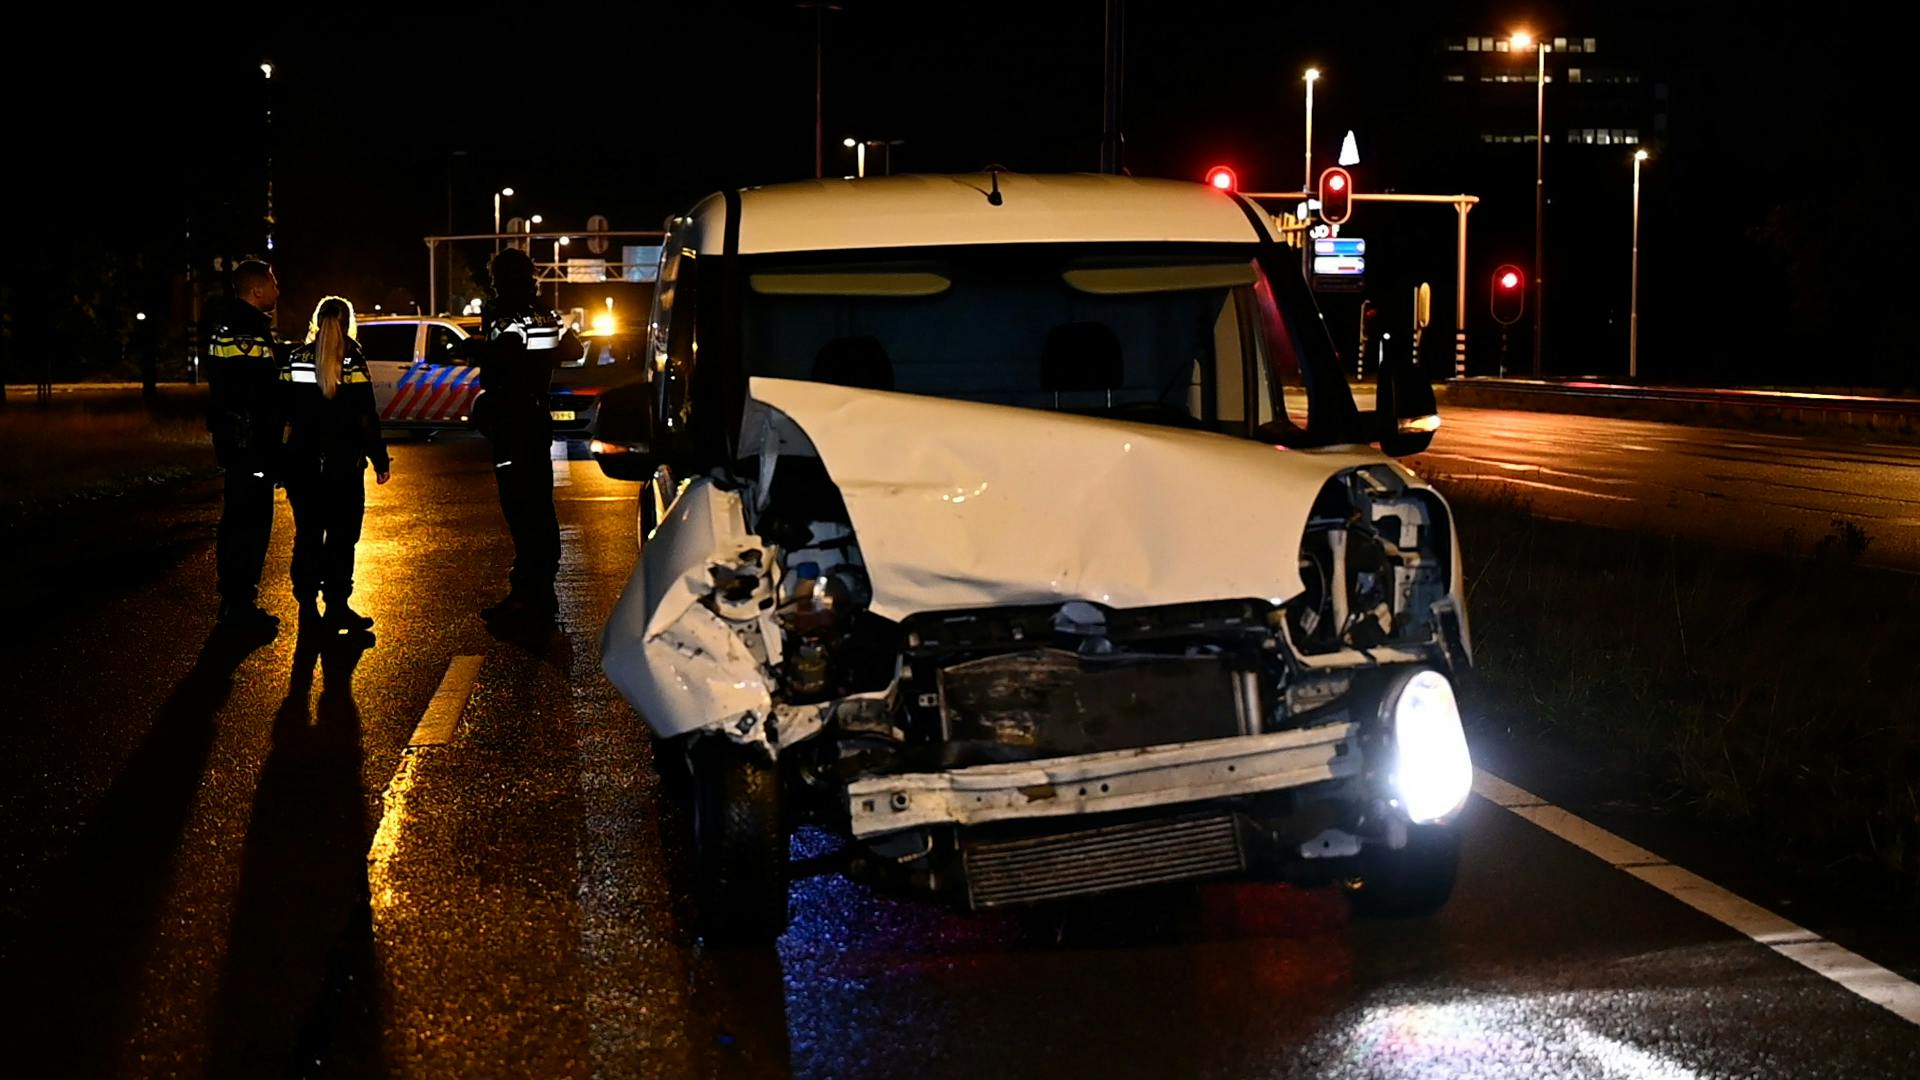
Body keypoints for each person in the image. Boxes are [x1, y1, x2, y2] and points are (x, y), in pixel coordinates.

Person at [464, 248, 578, 620]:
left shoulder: (505, 312)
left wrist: (478, 351)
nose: (493, 282)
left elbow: (507, 356)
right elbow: (563, 351)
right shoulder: (545, 311)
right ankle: (543, 591)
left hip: (512, 417)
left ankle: (525, 595)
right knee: (541, 506)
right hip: (536, 414)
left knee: (519, 507)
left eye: (495, 275)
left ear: (503, 276)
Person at [279, 296, 391, 633]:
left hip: (302, 464)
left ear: (316, 321)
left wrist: (279, 460)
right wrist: (379, 458)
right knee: (342, 536)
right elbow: (365, 417)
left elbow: (280, 413)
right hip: (344, 464)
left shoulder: (295, 359)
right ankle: (338, 606)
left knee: (308, 533)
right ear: (348, 323)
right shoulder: (352, 360)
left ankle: (307, 600)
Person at [203, 259, 284, 632]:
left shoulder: (228, 325)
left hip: (238, 440)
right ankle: (239, 604)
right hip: (250, 442)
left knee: (238, 518)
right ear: (256, 291)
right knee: (249, 522)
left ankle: (235, 601)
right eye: (272, 284)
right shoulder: (247, 331)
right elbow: (259, 393)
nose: (277, 291)